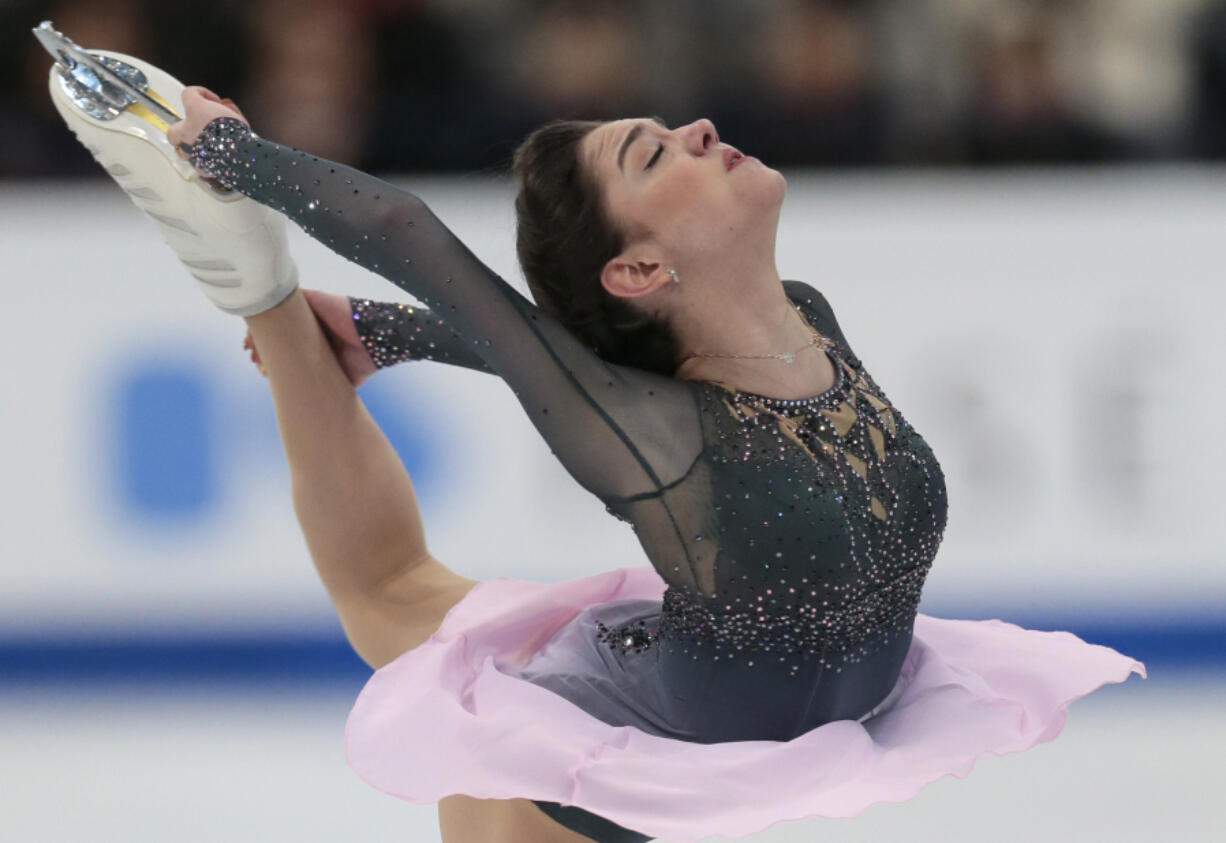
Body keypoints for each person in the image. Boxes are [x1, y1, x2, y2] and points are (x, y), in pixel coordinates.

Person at [64, 80, 1145, 842]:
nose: (698, 126)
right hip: (589, 775)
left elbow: (560, 359)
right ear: (637, 266)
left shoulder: (804, 320)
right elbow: (409, 230)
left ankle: (289, 317)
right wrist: (228, 152)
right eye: (653, 152)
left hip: (700, 671)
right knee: (389, 591)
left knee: (410, 602)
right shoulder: (654, 441)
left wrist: (398, 336)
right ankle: (259, 290)